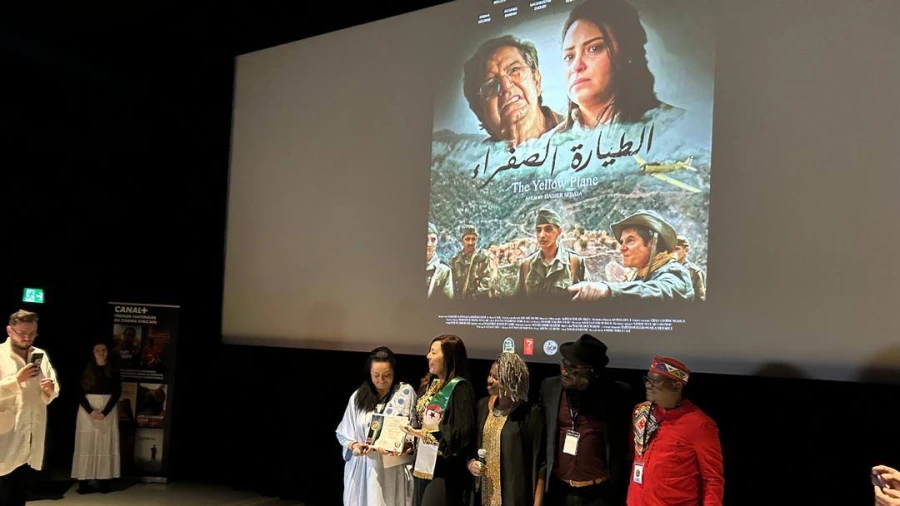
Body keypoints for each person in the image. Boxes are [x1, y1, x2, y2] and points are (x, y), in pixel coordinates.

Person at [558, 0, 682, 133]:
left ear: (627, 53)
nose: (576, 66)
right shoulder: (549, 142)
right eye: (569, 57)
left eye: (594, 48)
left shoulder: (678, 127)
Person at [539, 334, 632, 506]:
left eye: (573, 368)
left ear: (590, 372)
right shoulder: (550, 388)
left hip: (599, 494)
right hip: (560, 491)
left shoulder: (616, 395)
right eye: (563, 364)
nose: (564, 372)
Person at [627, 356, 723, 506]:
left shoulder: (700, 425)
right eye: (647, 380)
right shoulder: (641, 411)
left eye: (655, 381)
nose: (648, 385)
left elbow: (712, 479)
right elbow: (633, 455)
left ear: (676, 386)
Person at [336, 346, 418, 506]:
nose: (381, 380)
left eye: (386, 375)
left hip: (392, 471)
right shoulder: (358, 397)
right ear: (369, 373)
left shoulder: (405, 394)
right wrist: (354, 445)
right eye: (376, 375)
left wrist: (404, 446)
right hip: (363, 469)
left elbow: (415, 433)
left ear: (394, 372)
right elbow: (343, 433)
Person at [404, 335, 476, 506]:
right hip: (422, 466)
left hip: (444, 471)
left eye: (434, 352)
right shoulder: (429, 384)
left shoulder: (460, 389)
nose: (428, 356)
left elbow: (460, 433)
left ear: (449, 357)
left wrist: (427, 435)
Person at [467, 352, 544, 506]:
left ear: (511, 381)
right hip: (483, 495)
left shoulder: (530, 414)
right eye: (490, 375)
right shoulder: (482, 406)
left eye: (496, 378)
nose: (489, 380)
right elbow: (471, 446)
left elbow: (539, 463)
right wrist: (471, 464)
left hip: (514, 496)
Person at [0, 310, 60, 506]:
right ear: (9, 330)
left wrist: (50, 389)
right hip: (4, 436)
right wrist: (16, 380)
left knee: (18, 494)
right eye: (22, 333)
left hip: (29, 435)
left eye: (32, 333)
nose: (27, 338)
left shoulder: (39, 355)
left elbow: (52, 389)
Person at [568, 210, 694, 301]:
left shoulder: (675, 272)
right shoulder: (640, 276)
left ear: (651, 244)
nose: (622, 248)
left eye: (630, 241)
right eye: (622, 242)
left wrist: (608, 290)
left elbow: (663, 290)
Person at [463, 35, 563, 147]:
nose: (506, 86)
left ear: (536, 82)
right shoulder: (474, 156)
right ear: (480, 112)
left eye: (514, 70)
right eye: (491, 85)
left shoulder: (577, 129)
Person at [72, 340, 122, 494]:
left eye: (103, 349)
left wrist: (105, 412)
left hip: (108, 409)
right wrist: (91, 411)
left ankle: (104, 482)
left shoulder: (113, 370)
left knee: (105, 444)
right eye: (97, 349)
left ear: (108, 352)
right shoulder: (85, 370)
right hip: (87, 410)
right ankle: (84, 482)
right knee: (86, 444)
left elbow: (117, 392)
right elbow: (78, 392)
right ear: (92, 352)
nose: (101, 352)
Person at [515, 208, 589, 297]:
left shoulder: (574, 262)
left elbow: (589, 297)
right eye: (538, 230)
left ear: (559, 231)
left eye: (548, 229)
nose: (542, 235)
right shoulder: (526, 265)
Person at [449, 225, 493, 300]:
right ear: (462, 241)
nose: (470, 242)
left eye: (473, 239)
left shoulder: (482, 259)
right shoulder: (454, 261)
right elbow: (450, 284)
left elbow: (486, 282)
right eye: (467, 239)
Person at [674, 236, 707, 302]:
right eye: (671, 249)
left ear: (686, 250)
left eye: (677, 249)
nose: (673, 252)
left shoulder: (694, 272)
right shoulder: (664, 268)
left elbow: (700, 300)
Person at [427, 222, 454, 299]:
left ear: (437, 242)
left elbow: (447, 302)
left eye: (433, 240)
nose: (429, 244)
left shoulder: (444, 270)